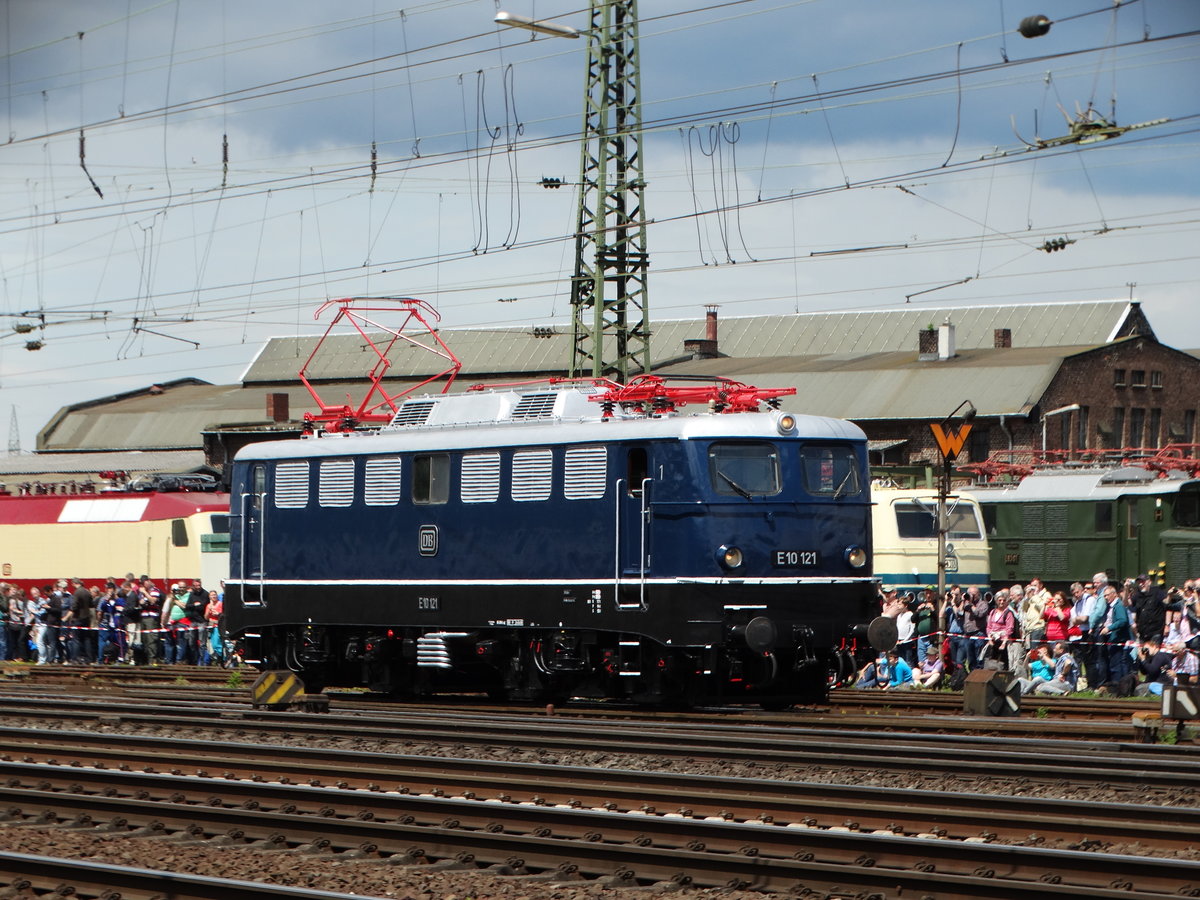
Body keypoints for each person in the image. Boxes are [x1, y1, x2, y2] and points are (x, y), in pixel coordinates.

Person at [983, 590, 1017, 669]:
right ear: (996, 601)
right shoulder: (992, 612)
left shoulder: (1008, 613)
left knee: (1003, 661)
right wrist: (989, 639)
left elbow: (1010, 629)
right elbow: (989, 627)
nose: (1002, 602)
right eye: (1000, 600)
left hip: (1003, 641)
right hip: (993, 639)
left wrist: (1004, 643)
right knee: (992, 661)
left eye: (1004, 600)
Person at [1132, 574, 1169, 646]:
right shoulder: (1137, 595)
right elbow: (1126, 603)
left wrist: (1167, 625)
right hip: (1143, 632)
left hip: (1155, 631)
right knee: (1143, 655)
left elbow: (1167, 603)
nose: (1141, 584)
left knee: (1153, 654)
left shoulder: (1157, 591)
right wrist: (1126, 589)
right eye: (1139, 582)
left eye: (1143, 582)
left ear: (1149, 582)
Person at [161, 583, 190, 664]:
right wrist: (163, 622)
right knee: (171, 642)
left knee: (177, 642)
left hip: (177, 622)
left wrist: (163, 622)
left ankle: (176, 660)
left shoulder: (178, 598)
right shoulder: (169, 599)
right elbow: (165, 612)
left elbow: (165, 612)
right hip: (170, 623)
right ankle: (171, 660)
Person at [962, 586, 989, 670]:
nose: (971, 596)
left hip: (978, 633)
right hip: (968, 634)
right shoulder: (965, 604)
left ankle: (978, 675)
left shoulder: (983, 604)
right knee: (970, 658)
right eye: (969, 594)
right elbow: (958, 613)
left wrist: (971, 605)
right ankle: (971, 675)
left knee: (979, 658)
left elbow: (979, 614)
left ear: (978, 594)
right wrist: (963, 601)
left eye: (973, 594)